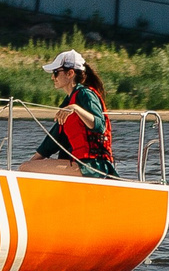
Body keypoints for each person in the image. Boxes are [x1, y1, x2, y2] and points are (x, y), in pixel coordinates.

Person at [24, 48, 116, 177]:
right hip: (79, 162)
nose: (52, 77)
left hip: (93, 165)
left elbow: (100, 125)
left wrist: (76, 108)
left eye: (55, 72)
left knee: (26, 169)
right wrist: (32, 162)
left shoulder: (85, 94)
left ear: (70, 73)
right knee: (26, 167)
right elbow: (55, 137)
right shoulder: (69, 101)